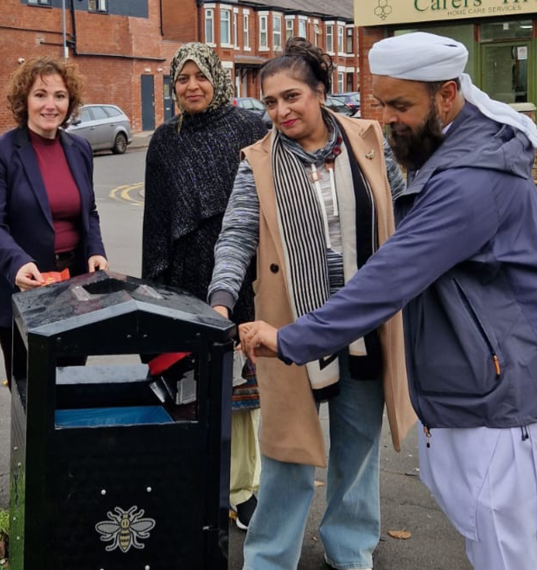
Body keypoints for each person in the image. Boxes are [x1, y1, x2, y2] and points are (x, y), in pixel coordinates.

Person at [239, 32, 537, 570]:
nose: (387, 119)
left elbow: (390, 274)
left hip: (503, 394)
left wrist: (290, 338)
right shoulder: (452, 150)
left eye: (402, 105)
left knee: (510, 549)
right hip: (481, 382)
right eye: (381, 102)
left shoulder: (469, 176)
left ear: (448, 95)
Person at [208, 38, 416, 570]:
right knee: (286, 452)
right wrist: (222, 302)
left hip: (364, 322)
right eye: (269, 103)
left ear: (321, 92)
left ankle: (350, 548)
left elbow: (404, 213)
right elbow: (236, 237)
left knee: (357, 445)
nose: (281, 111)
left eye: (291, 96)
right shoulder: (258, 161)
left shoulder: (369, 141)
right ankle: (270, 557)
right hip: (289, 327)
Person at [141, 42, 268, 531]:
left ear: (218, 78)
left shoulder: (248, 129)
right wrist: (154, 285)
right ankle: (197, 481)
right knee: (188, 388)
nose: (192, 86)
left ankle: (242, 490)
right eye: (182, 78)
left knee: (240, 394)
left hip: (240, 276)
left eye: (200, 76)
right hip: (183, 280)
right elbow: (156, 219)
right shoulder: (163, 142)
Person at [0, 57, 108, 385]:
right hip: (23, 288)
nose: (51, 105)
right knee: (31, 396)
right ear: (24, 100)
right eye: (40, 95)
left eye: (59, 96)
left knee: (71, 387)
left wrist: (96, 250)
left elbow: (89, 211)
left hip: (75, 289)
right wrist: (17, 264)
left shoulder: (79, 149)